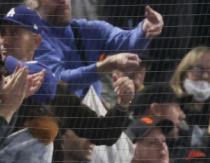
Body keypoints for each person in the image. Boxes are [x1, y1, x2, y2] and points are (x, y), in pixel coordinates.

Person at [29, 0, 162, 97]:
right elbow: (58, 82)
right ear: (34, 2)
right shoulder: (32, 39)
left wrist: (144, 29)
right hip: (56, 125)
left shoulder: (84, 29)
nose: (63, 1)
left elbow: (124, 41)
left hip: (88, 120)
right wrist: (105, 66)